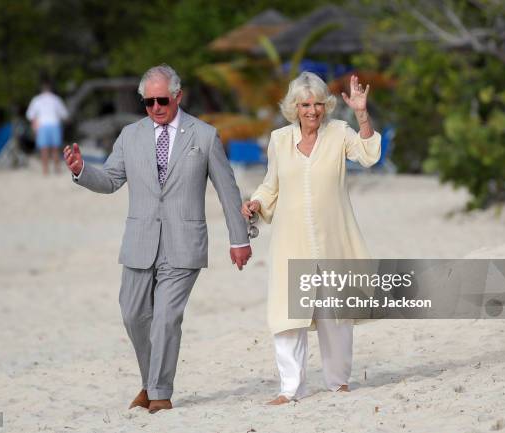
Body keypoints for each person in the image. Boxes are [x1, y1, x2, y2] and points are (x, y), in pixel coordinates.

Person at [63, 64, 252, 413]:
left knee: (165, 318)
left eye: (161, 100)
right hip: (139, 242)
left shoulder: (205, 136)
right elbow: (109, 180)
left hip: (185, 243)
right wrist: (81, 170)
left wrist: (239, 240)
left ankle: (159, 393)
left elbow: (227, 190)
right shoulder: (129, 135)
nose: (155, 108)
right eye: (147, 102)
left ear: (178, 96)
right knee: (134, 315)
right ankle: (150, 383)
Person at [242, 72, 381, 404]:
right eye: (305, 104)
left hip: (333, 236)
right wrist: (257, 202)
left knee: (336, 314)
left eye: (319, 104)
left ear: (326, 106)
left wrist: (361, 113)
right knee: (289, 314)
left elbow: (368, 154)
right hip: (291, 240)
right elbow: (270, 185)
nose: (313, 111)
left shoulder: (339, 134)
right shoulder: (279, 140)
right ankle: (290, 388)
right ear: (294, 107)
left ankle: (338, 382)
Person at [26, 78, 69, 175]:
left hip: (42, 126)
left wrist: (34, 125)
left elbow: (30, 115)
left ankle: (45, 170)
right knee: (55, 148)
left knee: (44, 149)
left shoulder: (36, 100)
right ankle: (57, 169)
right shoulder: (56, 99)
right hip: (54, 125)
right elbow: (64, 115)